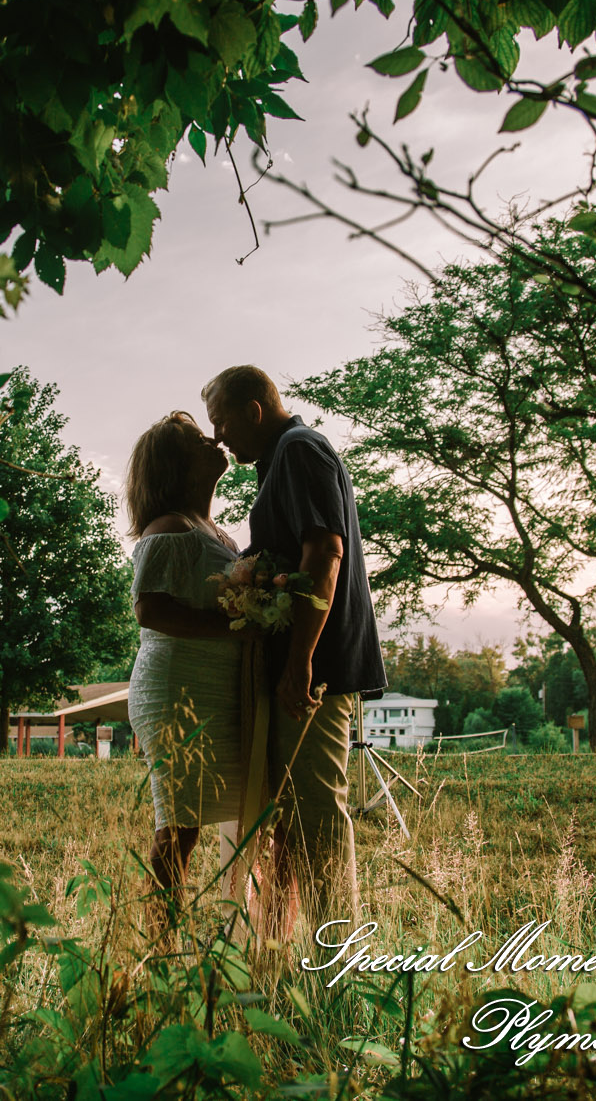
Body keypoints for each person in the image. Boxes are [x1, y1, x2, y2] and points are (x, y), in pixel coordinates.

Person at [201, 366, 386, 928]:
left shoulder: (300, 449)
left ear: (254, 410)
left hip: (318, 665)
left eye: (221, 422)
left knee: (317, 811)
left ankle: (339, 953)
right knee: (294, 815)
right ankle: (284, 942)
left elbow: (325, 553)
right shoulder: (282, 456)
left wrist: (301, 660)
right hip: (304, 661)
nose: (218, 437)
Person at [123, 410, 246, 917]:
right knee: (180, 825)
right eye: (199, 441)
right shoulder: (169, 528)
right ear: (177, 465)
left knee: (217, 814)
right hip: (178, 690)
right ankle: (159, 938)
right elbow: (149, 609)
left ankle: (241, 925)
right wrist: (237, 628)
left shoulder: (215, 532)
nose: (214, 442)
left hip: (216, 688)